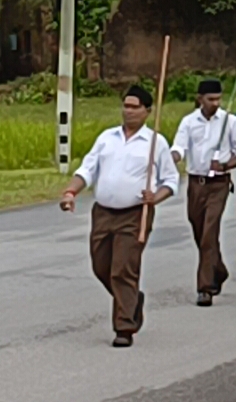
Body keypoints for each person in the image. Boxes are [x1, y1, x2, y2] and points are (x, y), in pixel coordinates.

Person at [59, 86, 178, 347]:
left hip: (135, 214)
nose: (129, 111)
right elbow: (87, 169)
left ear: (147, 111)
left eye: (135, 107)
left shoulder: (156, 143)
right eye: (126, 106)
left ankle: (124, 327)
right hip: (103, 213)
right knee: (101, 266)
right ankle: (132, 299)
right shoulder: (107, 138)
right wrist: (70, 192)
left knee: (123, 269)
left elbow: (171, 180)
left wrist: (155, 197)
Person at [170, 78, 236, 307]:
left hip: (219, 185)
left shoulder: (230, 121)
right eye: (210, 99)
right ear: (200, 99)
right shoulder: (188, 122)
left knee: (209, 232)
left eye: (218, 99)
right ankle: (218, 268)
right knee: (199, 230)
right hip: (196, 183)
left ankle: (205, 288)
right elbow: (179, 147)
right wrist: (171, 157)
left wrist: (225, 165)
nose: (215, 103)